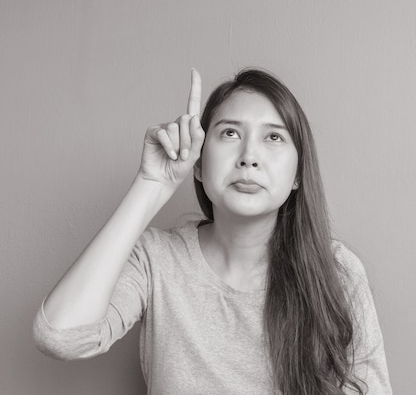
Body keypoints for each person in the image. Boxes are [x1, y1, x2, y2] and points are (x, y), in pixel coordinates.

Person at [33, 68, 392, 394]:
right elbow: (60, 336)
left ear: (298, 175)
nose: (249, 156)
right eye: (230, 133)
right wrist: (150, 183)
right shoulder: (157, 260)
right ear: (200, 165)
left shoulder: (337, 270)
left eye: (274, 138)